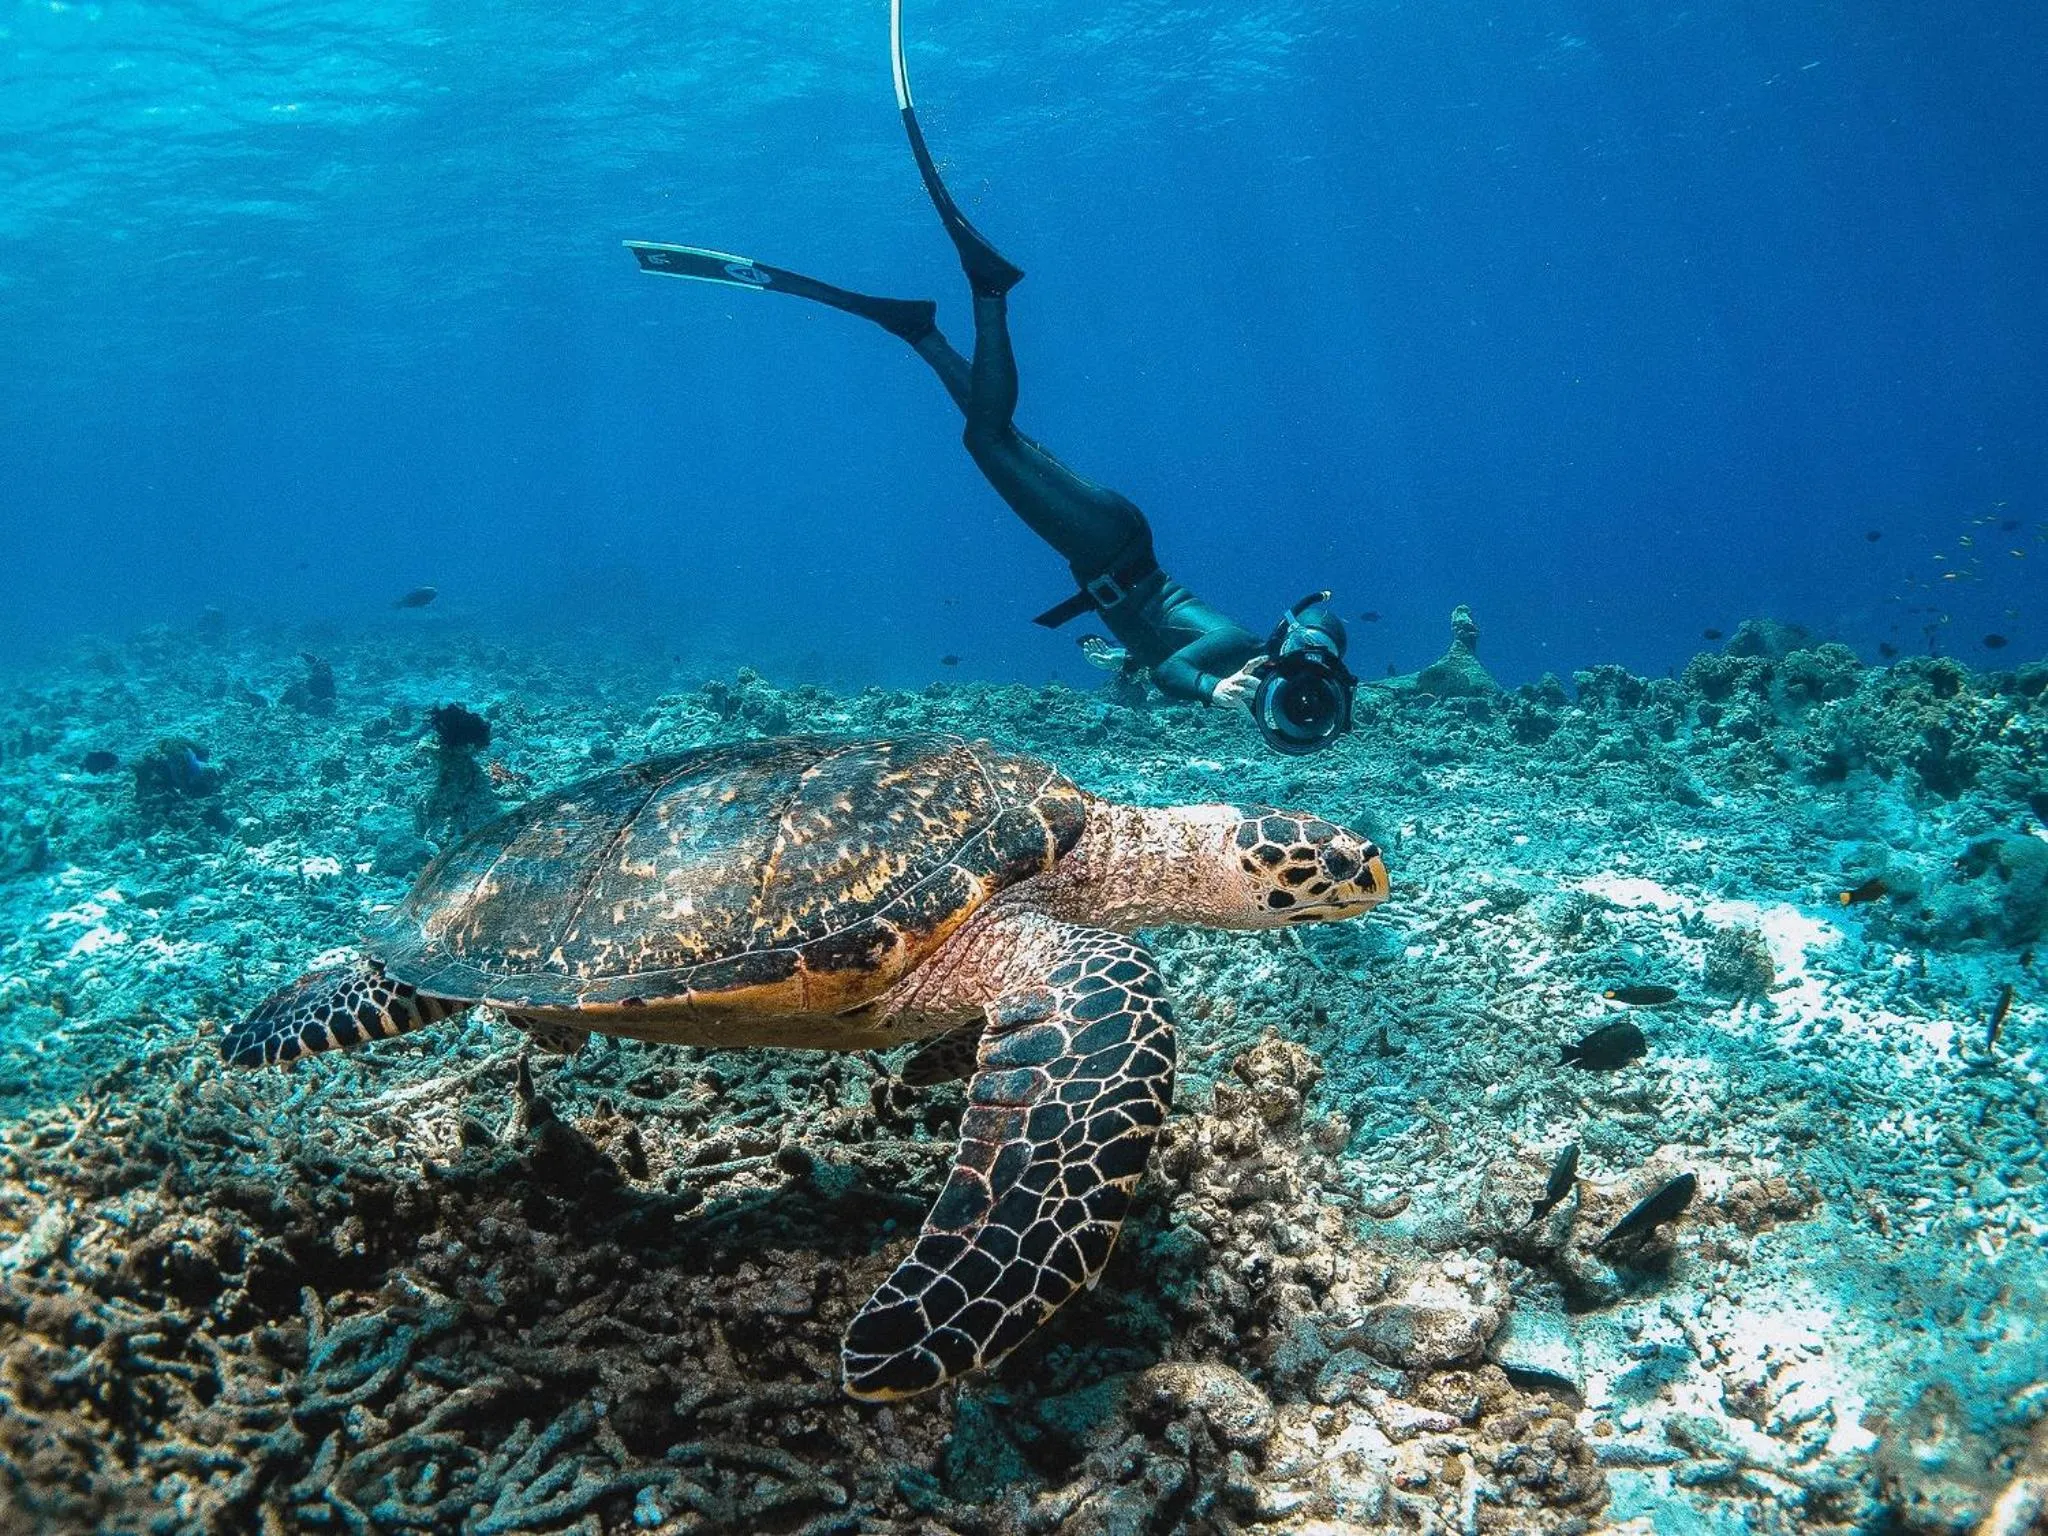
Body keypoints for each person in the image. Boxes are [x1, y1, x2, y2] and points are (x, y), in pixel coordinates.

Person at [627, 1, 1356, 754]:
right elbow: (1175, 672)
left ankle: (919, 330)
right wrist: (1216, 689)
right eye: (1289, 706)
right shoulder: (1234, 651)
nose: (1280, 708)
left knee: (990, 435)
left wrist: (1135, 664)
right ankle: (989, 291)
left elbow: (1149, 660)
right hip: (1112, 545)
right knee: (986, 437)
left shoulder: (1237, 658)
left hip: (1101, 550)